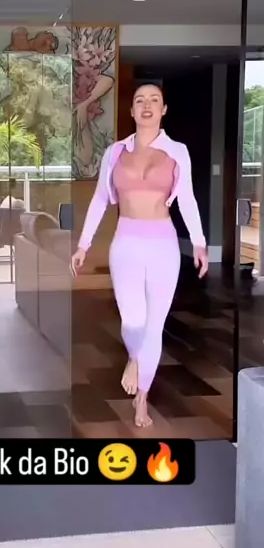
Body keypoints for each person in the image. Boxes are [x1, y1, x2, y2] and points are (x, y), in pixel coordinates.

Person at [70, 84, 208, 428]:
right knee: (133, 320)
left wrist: (199, 242)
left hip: (163, 245)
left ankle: (142, 398)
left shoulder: (178, 151)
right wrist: (83, 244)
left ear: (163, 110)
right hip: (126, 243)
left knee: (154, 324)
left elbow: (187, 199)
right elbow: (100, 198)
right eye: (140, 100)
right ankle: (135, 357)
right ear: (131, 110)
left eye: (154, 100)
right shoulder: (115, 152)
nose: (147, 106)